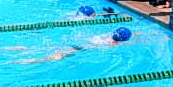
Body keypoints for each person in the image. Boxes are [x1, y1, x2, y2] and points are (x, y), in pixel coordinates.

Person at [10, 27, 138, 64]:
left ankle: (22, 49)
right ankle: (32, 60)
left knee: (50, 48)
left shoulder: (107, 36)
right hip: (81, 48)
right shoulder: (113, 44)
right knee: (58, 56)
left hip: (81, 44)